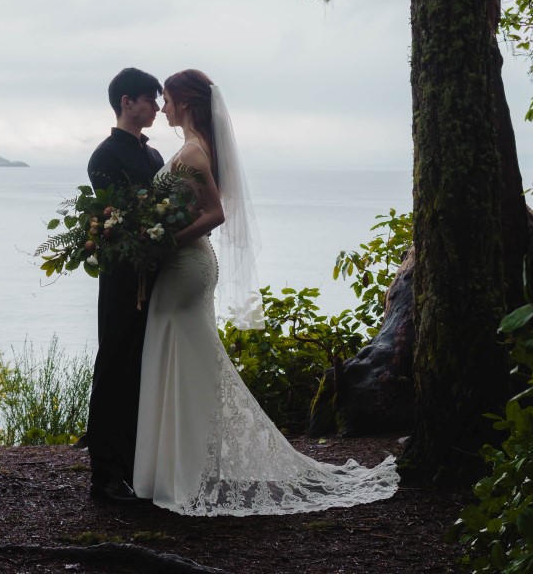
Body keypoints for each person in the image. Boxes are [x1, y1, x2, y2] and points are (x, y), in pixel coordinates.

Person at [133, 69, 399, 516]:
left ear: (187, 103)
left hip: (185, 265)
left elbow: (215, 213)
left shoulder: (194, 152)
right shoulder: (196, 147)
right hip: (185, 266)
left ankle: (180, 472)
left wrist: (165, 241)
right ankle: (176, 468)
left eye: (169, 99)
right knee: (183, 359)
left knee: (184, 360)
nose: (163, 107)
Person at [86, 67, 164, 504]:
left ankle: (137, 468)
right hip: (121, 279)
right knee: (114, 366)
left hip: (155, 276)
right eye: (150, 99)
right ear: (126, 102)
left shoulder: (153, 156)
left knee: (143, 369)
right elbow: (119, 220)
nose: (156, 107)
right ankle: (104, 474)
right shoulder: (105, 157)